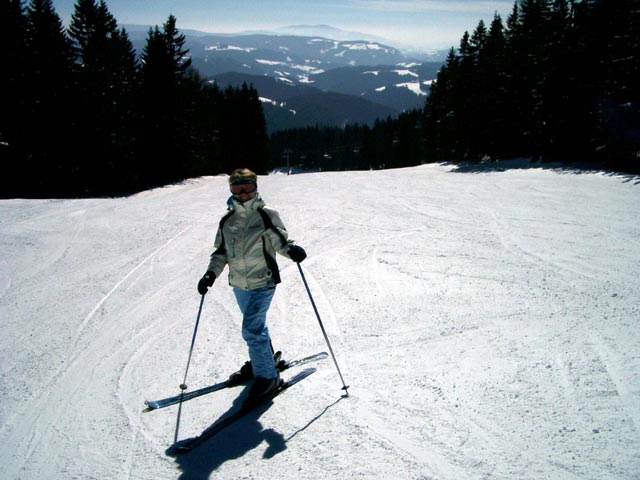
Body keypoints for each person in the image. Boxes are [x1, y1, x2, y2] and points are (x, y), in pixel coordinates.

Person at [197, 168, 307, 407]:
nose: (242, 192)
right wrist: (210, 274)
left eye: (247, 187)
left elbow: (281, 243)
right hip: (239, 284)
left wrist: (293, 251)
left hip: (262, 281)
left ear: (256, 187)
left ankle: (268, 377)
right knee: (256, 325)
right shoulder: (227, 221)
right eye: (237, 188)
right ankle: (262, 361)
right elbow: (221, 253)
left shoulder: (266, 215)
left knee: (252, 329)